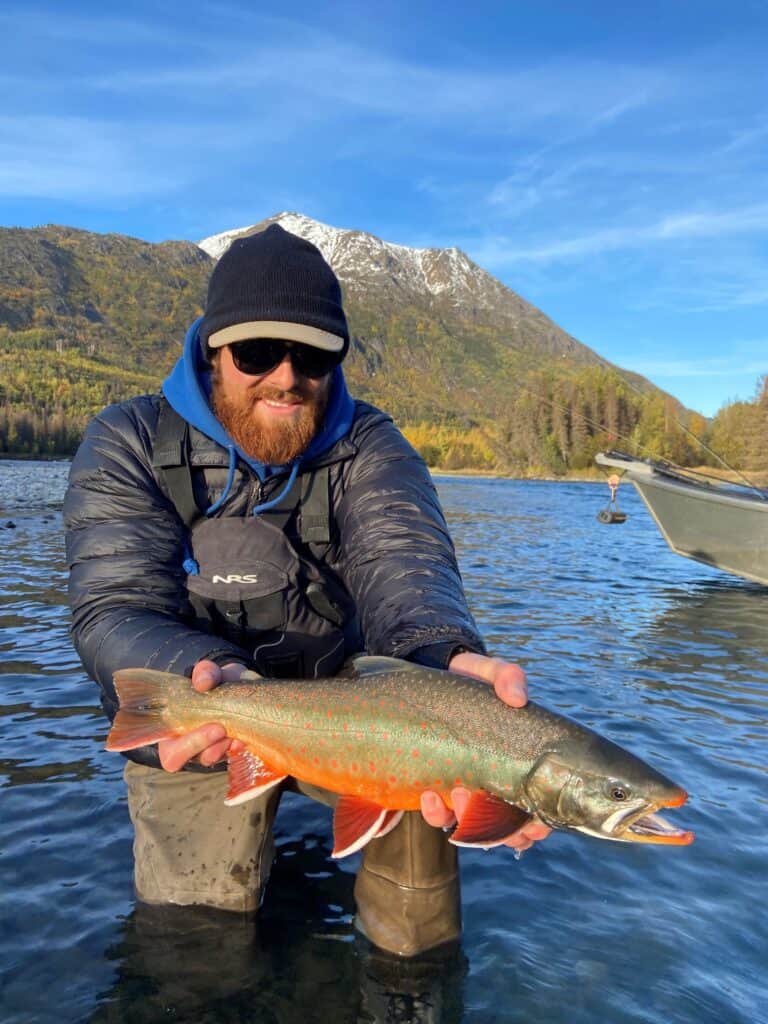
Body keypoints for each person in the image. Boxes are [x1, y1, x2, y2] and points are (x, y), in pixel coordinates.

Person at [64, 225, 550, 957]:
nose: (287, 376)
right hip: (203, 712)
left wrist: (439, 651)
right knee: (193, 941)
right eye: (258, 353)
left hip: (357, 715)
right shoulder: (128, 439)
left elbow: (406, 565)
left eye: (314, 355)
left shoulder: (372, 446)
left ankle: (409, 991)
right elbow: (113, 607)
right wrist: (191, 678)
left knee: (427, 855)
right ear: (212, 352)